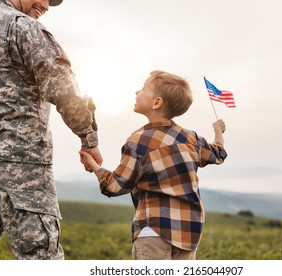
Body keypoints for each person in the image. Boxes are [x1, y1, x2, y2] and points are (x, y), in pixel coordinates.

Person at [0, 0, 103, 260]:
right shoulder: (21, 27)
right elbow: (64, 88)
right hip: (21, 164)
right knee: (40, 257)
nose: (46, 5)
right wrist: (89, 138)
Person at [80, 70, 227, 260]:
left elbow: (115, 186)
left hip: (153, 232)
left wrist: (93, 165)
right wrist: (218, 130)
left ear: (157, 102)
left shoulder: (138, 142)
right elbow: (218, 153)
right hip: (189, 234)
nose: (136, 92)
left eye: (142, 89)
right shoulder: (192, 139)